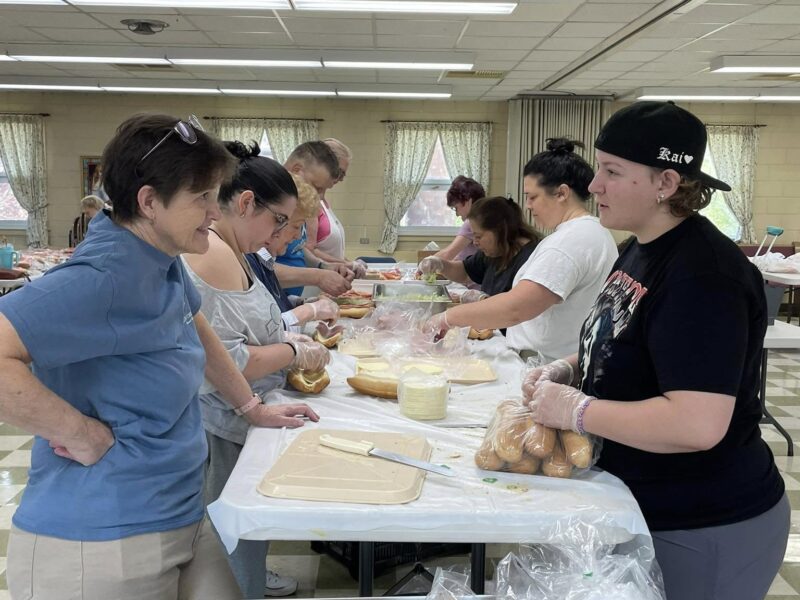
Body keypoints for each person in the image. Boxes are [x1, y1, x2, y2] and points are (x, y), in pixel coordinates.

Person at [0, 113, 317, 600]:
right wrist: (78, 433)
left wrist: (250, 407)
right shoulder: (103, 277)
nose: (214, 211)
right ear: (149, 202)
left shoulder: (159, 262)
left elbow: (196, 325)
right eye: (202, 198)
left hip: (178, 512)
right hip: (104, 536)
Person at [523, 101, 789, 600]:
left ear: (666, 183)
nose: (594, 185)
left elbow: (696, 424)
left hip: (702, 522)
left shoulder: (703, 276)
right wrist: (570, 369)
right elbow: (627, 341)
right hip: (641, 502)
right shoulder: (638, 247)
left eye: (612, 171)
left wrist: (578, 410)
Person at [183, 140, 331, 599]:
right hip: (222, 421)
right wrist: (291, 351)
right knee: (229, 546)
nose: (279, 234)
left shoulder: (235, 251)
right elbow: (227, 360)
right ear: (246, 203)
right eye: (279, 221)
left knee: (244, 539)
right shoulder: (213, 253)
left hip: (241, 416)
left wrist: (289, 341)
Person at [425, 138, 617, 364]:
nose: (527, 205)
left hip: (545, 364)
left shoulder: (572, 240)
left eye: (532, 197)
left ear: (562, 193)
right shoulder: (585, 233)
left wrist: (446, 318)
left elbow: (516, 308)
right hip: (546, 359)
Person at [419, 196, 539, 319]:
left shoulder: (531, 258)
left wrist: (483, 300)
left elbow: (517, 309)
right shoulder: (495, 251)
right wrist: (441, 264)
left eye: (478, 236)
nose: (475, 242)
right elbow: (465, 272)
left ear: (499, 231)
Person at [247, 172, 340, 331]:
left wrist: (299, 303)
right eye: (296, 226)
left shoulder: (264, 259)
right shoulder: (249, 260)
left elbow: (272, 303)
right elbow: (263, 330)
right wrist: (309, 311)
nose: (297, 236)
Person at [275, 141, 354, 296]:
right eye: (316, 188)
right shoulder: (271, 202)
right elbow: (259, 269)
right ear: (296, 170)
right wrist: (317, 276)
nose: (320, 197)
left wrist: (322, 266)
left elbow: (298, 248)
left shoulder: (298, 205)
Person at [305, 138, 367, 278]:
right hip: (314, 281)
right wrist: (348, 264)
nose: (341, 178)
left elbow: (332, 252)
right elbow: (309, 250)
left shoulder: (323, 202)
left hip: (329, 280)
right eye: (339, 172)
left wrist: (348, 262)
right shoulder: (310, 202)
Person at [435, 175, 485, 262]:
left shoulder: (471, 222)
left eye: (456, 208)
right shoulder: (483, 218)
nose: (457, 214)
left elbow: (448, 253)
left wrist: (423, 265)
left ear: (467, 201)